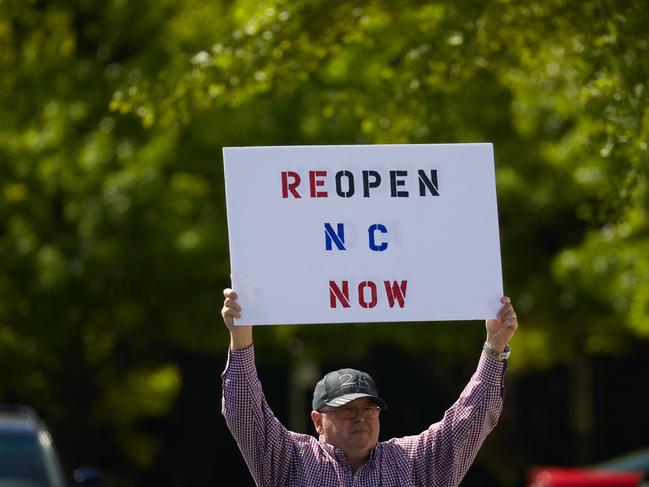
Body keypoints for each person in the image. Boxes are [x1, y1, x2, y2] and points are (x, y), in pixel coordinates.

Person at [221, 288, 519, 486]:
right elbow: (245, 413)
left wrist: (495, 347)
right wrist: (241, 339)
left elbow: (469, 421)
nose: (360, 417)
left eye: (368, 408)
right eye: (346, 410)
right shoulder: (292, 460)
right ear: (317, 421)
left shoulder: (410, 462)